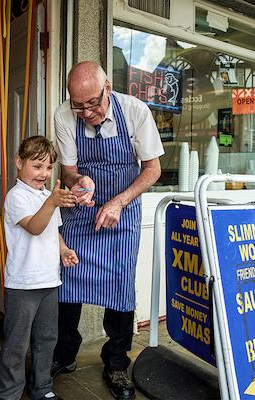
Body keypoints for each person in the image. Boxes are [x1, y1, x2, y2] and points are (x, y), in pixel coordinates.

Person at [52, 61, 163, 400]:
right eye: (78, 105)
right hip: (82, 210)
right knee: (66, 279)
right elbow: (69, 171)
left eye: (93, 104)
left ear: (108, 89)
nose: (86, 112)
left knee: (120, 286)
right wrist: (79, 182)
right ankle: (64, 354)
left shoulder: (135, 112)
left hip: (123, 211)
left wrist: (117, 202)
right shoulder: (64, 115)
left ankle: (115, 362)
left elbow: (153, 169)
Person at [0, 136, 80, 400]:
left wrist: (64, 250)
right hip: (23, 284)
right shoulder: (16, 196)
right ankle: (8, 393)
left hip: (49, 281)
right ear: (19, 163)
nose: (43, 173)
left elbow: (53, 231)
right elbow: (34, 227)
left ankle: (42, 388)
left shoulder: (47, 196)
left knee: (46, 340)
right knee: (16, 345)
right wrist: (52, 202)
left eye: (48, 167)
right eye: (37, 166)